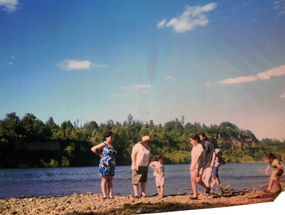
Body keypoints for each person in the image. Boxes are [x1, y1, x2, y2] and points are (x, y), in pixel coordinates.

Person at [91, 131, 117, 199]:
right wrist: (99, 154)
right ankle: (104, 195)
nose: (112, 139)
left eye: (112, 137)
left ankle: (111, 195)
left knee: (110, 179)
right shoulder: (104, 144)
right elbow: (93, 149)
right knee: (104, 179)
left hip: (112, 164)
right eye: (111, 137)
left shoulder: (112, 145)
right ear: (106, 137)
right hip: (104, 164)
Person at [189, 134, 209, 199]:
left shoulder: (199, 146)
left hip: (199, 165)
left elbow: (198, 157)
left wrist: (194, 165)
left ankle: (207, 188)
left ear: (196, 140)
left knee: (198, 180)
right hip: (193, 165)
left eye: (192, 141)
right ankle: (195, 195)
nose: (191, 142)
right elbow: (193, 158)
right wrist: (192, 166)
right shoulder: (193, 147)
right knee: (192, 179)